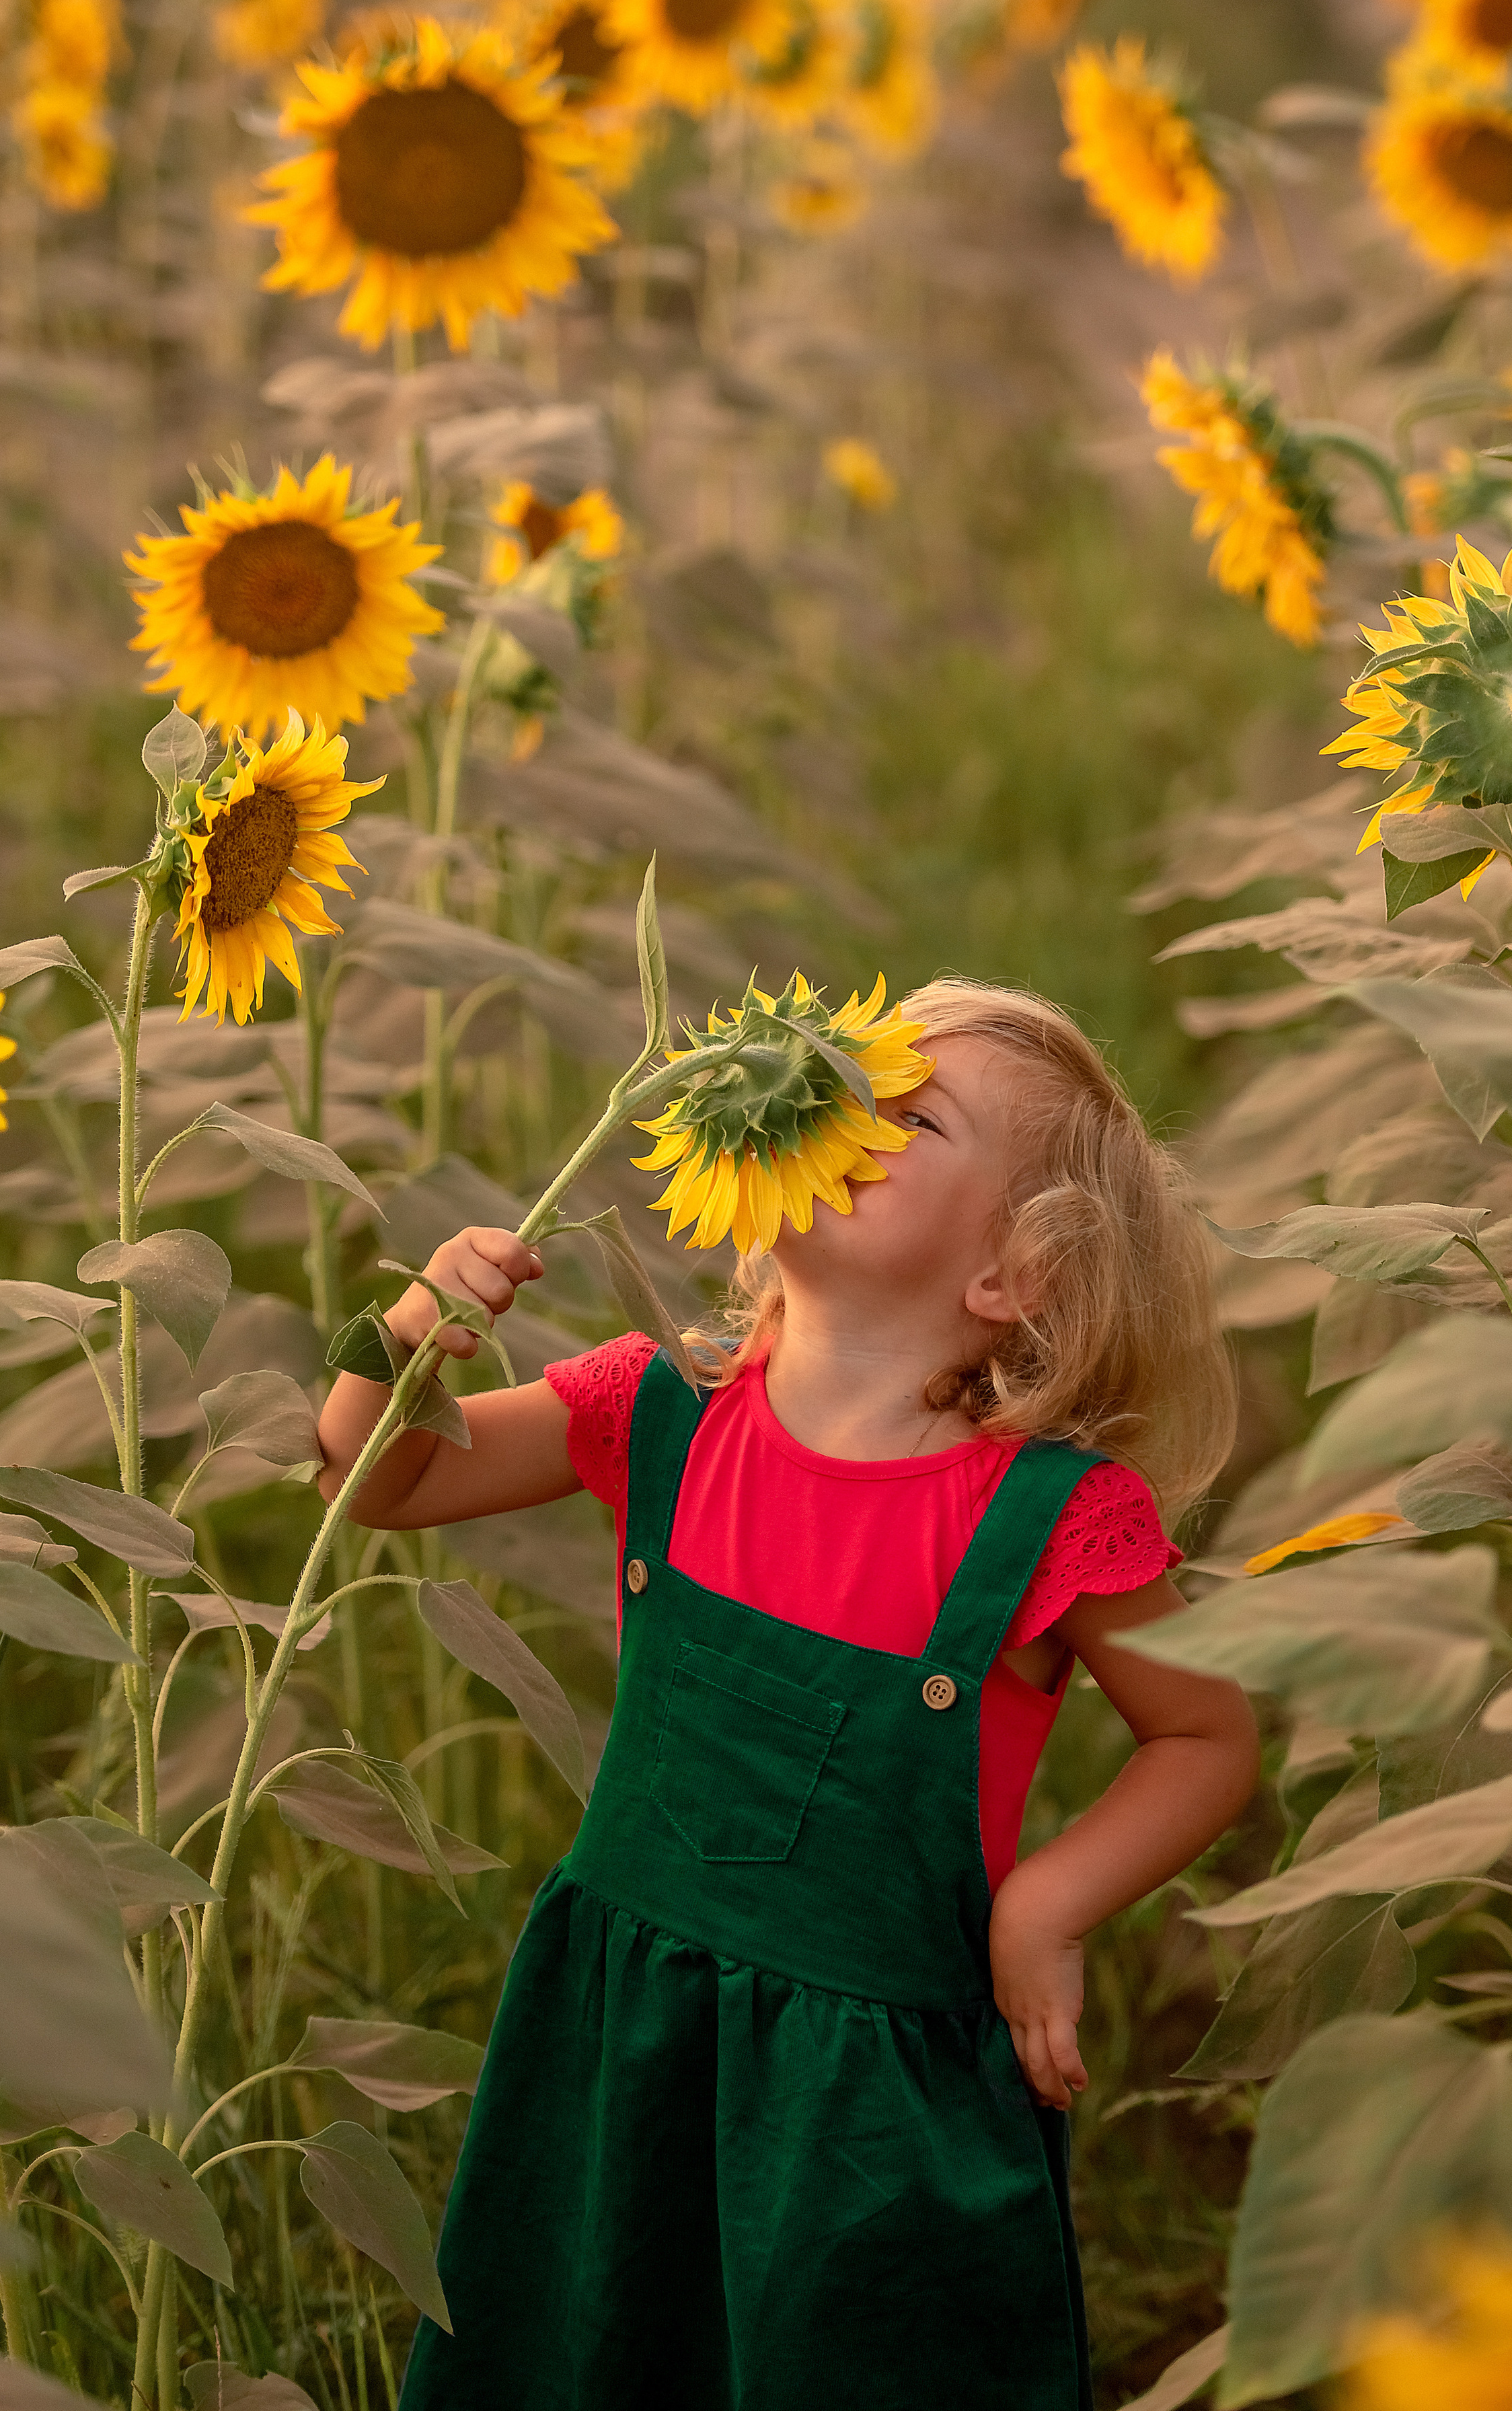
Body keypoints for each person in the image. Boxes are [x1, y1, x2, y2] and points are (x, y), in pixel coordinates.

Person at [315, 976, 1259, 2411]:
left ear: (1013, 1274)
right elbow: (376, 1480)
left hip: (866, 2121)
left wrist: (1046, 1907)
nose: (838, 1112)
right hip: (623, 2048)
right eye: (845, 1080)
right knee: (590, 2350)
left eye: (911, 1117)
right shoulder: (657, 1416)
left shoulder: (1041, 1519)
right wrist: (410, 1329)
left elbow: (1203, 1734)